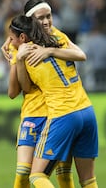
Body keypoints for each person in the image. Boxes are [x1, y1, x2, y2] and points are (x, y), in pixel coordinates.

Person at [2, 0, 83, 188]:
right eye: (41, 18)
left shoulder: (56, 36)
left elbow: (81, 54)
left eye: (49, 16)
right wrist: (16, 51)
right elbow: (16, 91)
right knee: (23, 172)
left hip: (58, 114)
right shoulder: (19, 48)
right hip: (34, 113)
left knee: (63, 173)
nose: (46, 22)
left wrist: (49, 51)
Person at [10, 14, 98, 188]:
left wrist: (18, 59)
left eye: (12, 38)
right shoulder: (59, 39)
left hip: (63, 114)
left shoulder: (29, 53)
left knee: (36, 176)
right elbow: (81, 54)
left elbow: (21, 89)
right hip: (87, 110)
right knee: (88, 180)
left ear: (22, 37)